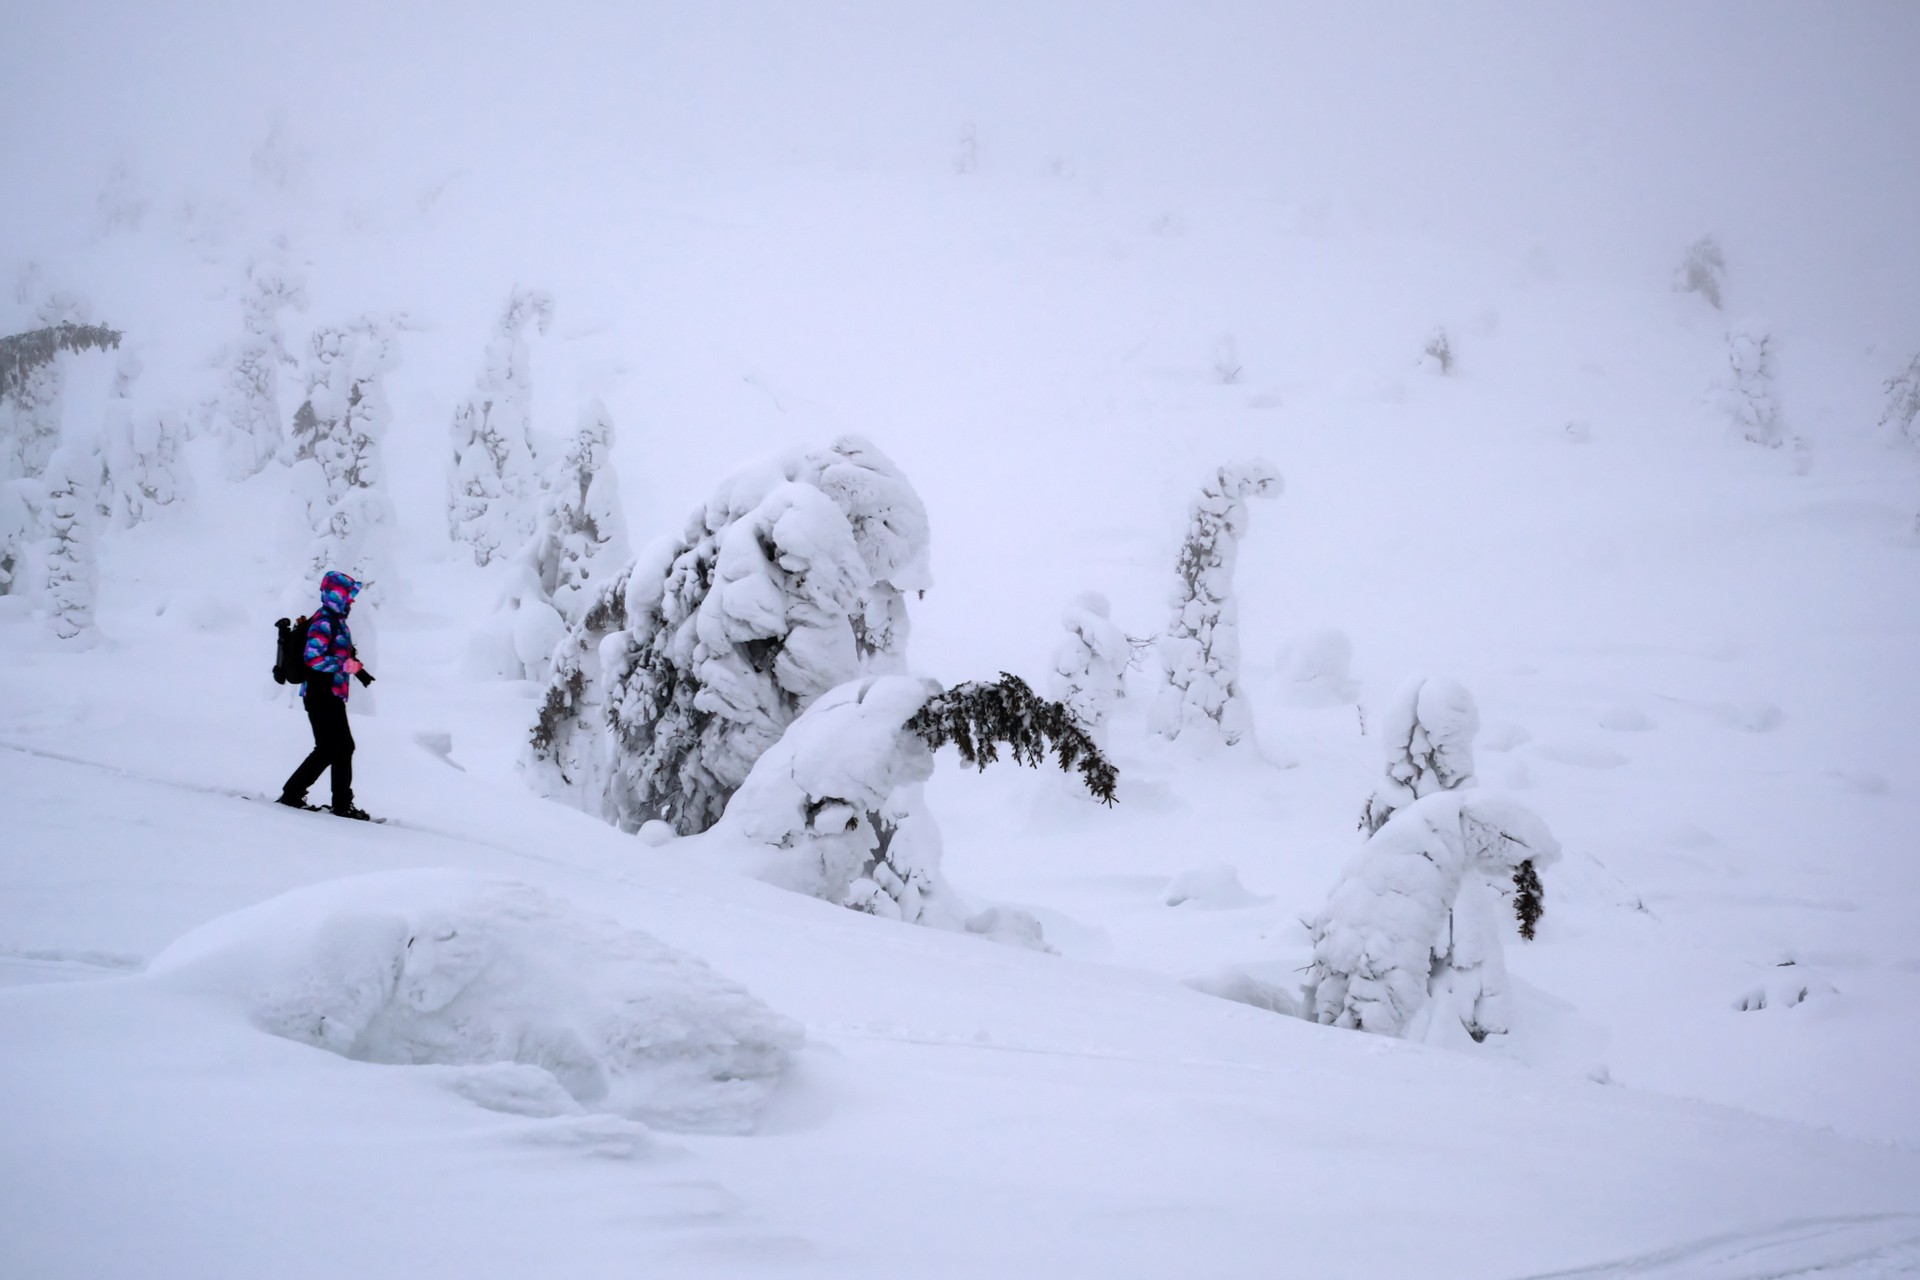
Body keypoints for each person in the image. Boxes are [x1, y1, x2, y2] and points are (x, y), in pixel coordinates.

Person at [278, 570, 373, 820]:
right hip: (321, 694)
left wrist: (354, 666)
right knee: (332, 747)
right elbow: (313, 658)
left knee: (339, 747)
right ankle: (297, 795)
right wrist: (345, 665)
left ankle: (336, 803)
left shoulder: (336, 621)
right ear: (335, 596)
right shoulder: (324, 622)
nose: (351, 600)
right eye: (348, 595)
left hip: (330, 694)